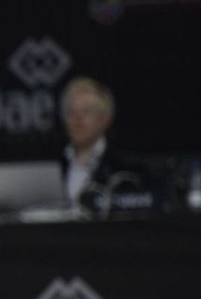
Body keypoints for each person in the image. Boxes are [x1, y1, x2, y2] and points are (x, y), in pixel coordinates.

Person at [59, 76, 154, 211]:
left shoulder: (126, 169)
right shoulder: (53, 164)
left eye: (86, 111)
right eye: (71, 112)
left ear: (104, 118)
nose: (77, 119)